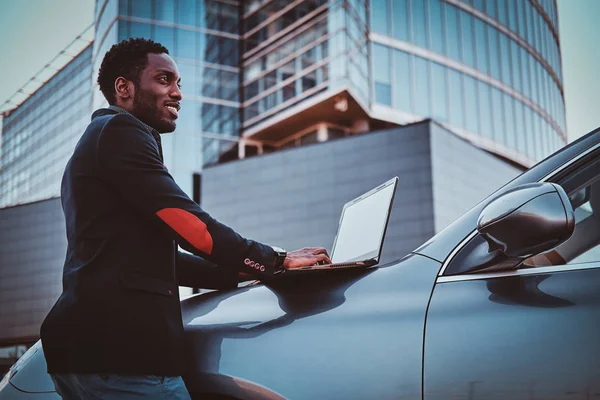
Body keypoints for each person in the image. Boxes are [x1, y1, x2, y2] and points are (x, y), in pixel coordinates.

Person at [40, 38, 331, 399]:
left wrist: (253, 268)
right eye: (164, 80)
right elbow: (191, 226)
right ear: (124, 88)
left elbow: (157, 261)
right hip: (124, 356)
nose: (177, 93)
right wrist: (275, 260)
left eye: (179, 84)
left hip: (83, 351)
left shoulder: (98, 141)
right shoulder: (120, 133)